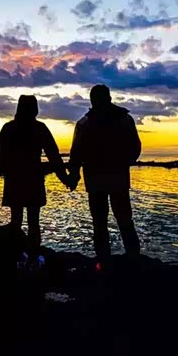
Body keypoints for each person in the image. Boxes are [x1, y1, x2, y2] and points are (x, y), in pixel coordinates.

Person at [68, 84, 142, 269]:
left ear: (92, 101)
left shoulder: (85, 123)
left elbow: (75, 154)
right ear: (109, 98)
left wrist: (74, 176)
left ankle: (104, 262)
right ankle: (133, 259)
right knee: (124, 220)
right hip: (118, 178)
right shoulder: (125, 120)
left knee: (100, 222)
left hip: (96, 180)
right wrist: (124, 162)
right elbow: (135, 148)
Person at [0, 95, 69, 268]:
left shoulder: (8, 128)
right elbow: (53, 155)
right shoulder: (39, 128)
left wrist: (8, 172)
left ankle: (16, 257)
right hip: (33, 179)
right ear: (35, 109)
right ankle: (33, 259)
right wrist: (65, 178)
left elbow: (0, 157)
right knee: (33, 221)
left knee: (16, 220)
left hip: (14, 180)